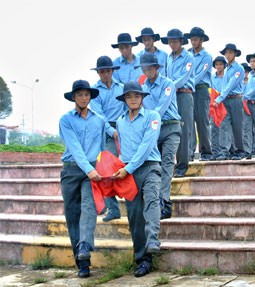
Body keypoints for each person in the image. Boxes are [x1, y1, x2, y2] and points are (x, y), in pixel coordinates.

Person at [113, 81, 162, 277]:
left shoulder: (153, 117)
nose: (133, 99)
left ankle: (153, 240)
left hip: (150, 166)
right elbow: (123, 148)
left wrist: (129, 167)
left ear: (142, 98)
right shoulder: (120, 121)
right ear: (125, 100)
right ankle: (142, 260)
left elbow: (146, 146)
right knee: (134, 216)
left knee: (151, 201)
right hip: (128, 173)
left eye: (136, 96)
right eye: (129, 96)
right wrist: (120, 166)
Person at [59, 80, 105, 278]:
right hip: (71, 170)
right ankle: (81, 264)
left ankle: (85, 247)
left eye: (86, 95)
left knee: (89, 207)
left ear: (90, 97)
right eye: (79, 95)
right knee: (72, 217)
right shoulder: (66, 120)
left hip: (91, 172)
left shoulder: (99, 120)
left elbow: (104, 143)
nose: (83, 98)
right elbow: (75, 148)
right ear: (73, 98)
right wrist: (89, 169)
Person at [136, 53, 181, 220]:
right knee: (156, 166)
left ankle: (165, 202)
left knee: (168, 163)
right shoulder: (143, 88)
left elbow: (161, 108)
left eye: (149, 68)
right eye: (144, 69)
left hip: (170, 127)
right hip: (155, 130)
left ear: (156, 68)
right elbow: (144, 109)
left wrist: (150, 120)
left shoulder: (168, 84)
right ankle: (154, 201)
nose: (147, 71)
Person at [90, 55, 124, 222]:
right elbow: (99, 116)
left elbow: (128, 108)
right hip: (105, 133)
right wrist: (112, 131)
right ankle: (113, 208)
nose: (105, 74)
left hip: (125, 128)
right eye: (102, 72)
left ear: (112, 71)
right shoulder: (94, 91)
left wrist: (124, 128)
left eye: (108, 71)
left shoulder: (122, 88)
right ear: (98, 73)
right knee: (105, 171)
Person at [161, 29, 194, 177]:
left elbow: (184, 77)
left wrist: (168, 87)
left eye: (175, 41)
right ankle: (174, 163)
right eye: (170, 42)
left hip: (184, 94)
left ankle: (182, 165)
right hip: (171, 95)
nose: (172, 44)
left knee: (184, 129)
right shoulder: (168, 58)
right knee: (172, 128)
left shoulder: (188, 57)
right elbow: (166, 76)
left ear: (181, 41)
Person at [213, 43, 245, 160]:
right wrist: (220, 98)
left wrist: (219, 98)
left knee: (237, 126)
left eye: (230, 52)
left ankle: (239, 151)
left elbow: (230, 85)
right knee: (224, 125)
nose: (228, 55)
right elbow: (224, 86)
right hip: (225, 100)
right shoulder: (226, 70)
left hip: (235, 99)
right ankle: (224, 151)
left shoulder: (239, 69)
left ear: (235, 54)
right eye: (226, 52)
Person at [185, 27, 213, 161]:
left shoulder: (206, 56)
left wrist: (186, 83)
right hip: (189, 90)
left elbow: (200, 75)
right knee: (189, 122)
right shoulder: (187, 54)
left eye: (195, 39)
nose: (193, 41)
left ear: (201, 40)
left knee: (202, 122)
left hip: (201, 89)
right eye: (191, 39)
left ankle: (206, 152)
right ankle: (189, 153)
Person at [210, 56, 227, 160]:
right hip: (214, 105)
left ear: (224, 65)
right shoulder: (212, 77)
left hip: (224, 104)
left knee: (224, 128)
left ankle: (223, 151)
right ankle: (214, 151)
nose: (218, 66)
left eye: (221, 64)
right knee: (214, 128)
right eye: (216, 64)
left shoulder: (227, 76)